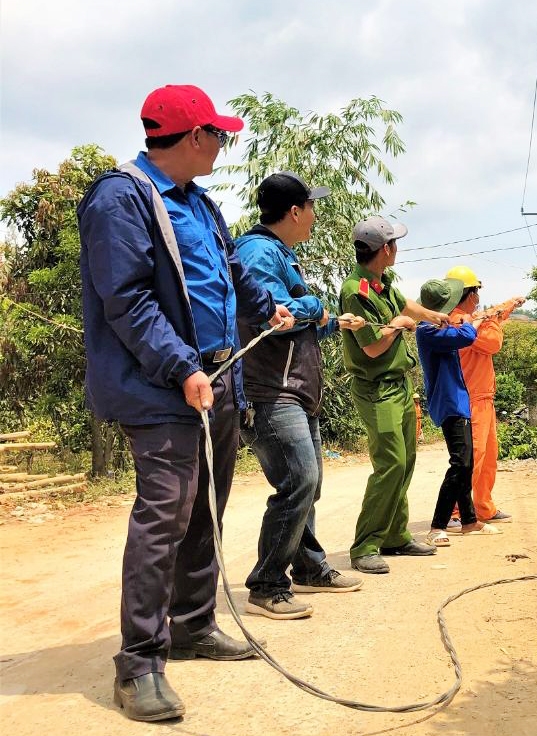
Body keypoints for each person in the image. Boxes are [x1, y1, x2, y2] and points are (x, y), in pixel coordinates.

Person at [78, 84, 294, 722]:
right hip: (161, 386)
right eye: (219, 135)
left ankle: (194, 625)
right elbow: (127, 301)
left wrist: (265, 307)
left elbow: (229, 271)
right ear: (194, 136)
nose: (225, 144)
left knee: (208, 505)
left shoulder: (201, 204)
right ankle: (139, 662)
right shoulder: (121, 199)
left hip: (218, 379)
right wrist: (180, 369)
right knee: (165, 515)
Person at [234, 172, 368, 621]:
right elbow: (275, 314)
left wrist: (334, 321)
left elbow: (301, 321)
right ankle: (267, 583)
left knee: (309, 486)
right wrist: (316, 306)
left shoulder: (281, 253)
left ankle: (309, 566)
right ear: (295, 211)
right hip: (272, 392)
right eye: (312, 207)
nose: (314, 216)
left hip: (296, 390)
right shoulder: (256, 252)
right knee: (299, 481)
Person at [339, 216, 451, 574]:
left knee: (407, 461)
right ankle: (365, 545)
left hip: (399, 386)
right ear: (385, 249)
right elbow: (371, 348)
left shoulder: (381, 283)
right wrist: (396, 329)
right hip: (376, 389)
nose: (397, 249)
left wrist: (435, 316)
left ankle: (395, 536)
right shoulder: (355, 291)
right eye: (395, 244)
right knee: (391, 465)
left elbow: (405, 307)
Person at [415, 278, 501, 546]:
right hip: (448, 400)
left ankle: (469, 520)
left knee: (467, 461)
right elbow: (467, 336)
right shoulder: (428, 330)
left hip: (460, 399)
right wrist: (472, 321)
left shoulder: (439, 326)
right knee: (460, 462)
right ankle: (437, 525)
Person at [448, 266, 525, 523]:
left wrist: (509, 305)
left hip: (483, 398)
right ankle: (458, 510)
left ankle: (483, 507)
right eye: (476, 292)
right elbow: (493, 341)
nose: (479, 298)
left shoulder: (471, 318)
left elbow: (491, 318)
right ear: (468, 294)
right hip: (471, 399)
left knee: (488, 456)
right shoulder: (460, 322)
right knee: (473, 457)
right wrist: (492, 317)